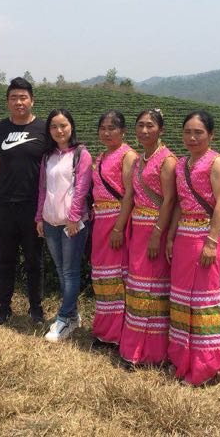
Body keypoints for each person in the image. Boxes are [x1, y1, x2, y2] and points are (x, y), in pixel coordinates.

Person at [166, 110, 220, 385]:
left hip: (206, 237)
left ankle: (206, 365)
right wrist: (170, 236)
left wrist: (212, 242)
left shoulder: (217, 162)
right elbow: (180, 203)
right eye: (187, 132)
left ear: (211, 135)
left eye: (198, 132)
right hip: (183, 238)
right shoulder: (180, 165)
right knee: (182, 299)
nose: (192, 137)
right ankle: (183, 360)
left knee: (203, 301)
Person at [119, 109, 177, 366]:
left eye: (150, 126)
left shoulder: (167, 160)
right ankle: (133, 350)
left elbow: (169, 200)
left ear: (161, 130)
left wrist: (157, 235)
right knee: (138, 288)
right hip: (137, 228)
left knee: (154, 290)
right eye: (140, 125)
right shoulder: (138, 159)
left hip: (155, 227)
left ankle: (152, 352)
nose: (144, 130)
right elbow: (131, 194)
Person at [0, 77, 47, 325]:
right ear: (7, 102)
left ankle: (36, 307)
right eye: (14, 98)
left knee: (35, 259)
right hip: (4, 205)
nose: (19, 102)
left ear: (32, 100)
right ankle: (3, 307)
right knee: (5, 259)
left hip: (33, 206)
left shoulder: (44, 130)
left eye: (23, 97)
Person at [35, 109, 93, 342]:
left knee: (69, 272)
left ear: (71, 127)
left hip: (73, 223)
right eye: (54, 127)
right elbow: (42, 189)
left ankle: (63, 318)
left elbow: (82, 188)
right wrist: (39, 217)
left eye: (63, 125)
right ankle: (72, 315)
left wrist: (74, 218)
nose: (59, 131)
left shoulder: (81, 154)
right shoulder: (47, 156)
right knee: (61, 270)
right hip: (50, 221)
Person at [90, 110, 137, 346]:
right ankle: (104, 329)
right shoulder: (101, 156)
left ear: (123, 131)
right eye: (103, 128)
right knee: (102, 277)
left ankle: (118, 333)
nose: (107, 133)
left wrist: (119, 228)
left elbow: (129, 193)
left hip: (116, 222)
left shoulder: (127, 155)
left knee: (118, 278)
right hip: (100, 221)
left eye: (112, 128)